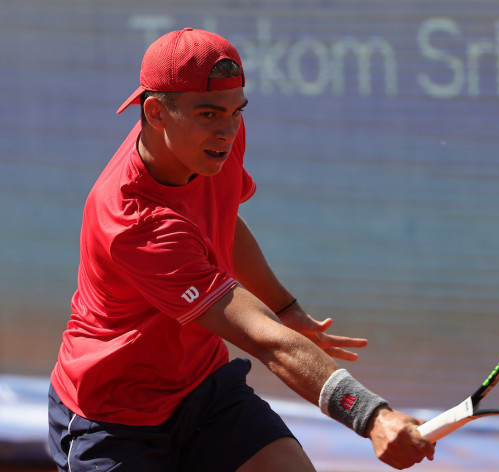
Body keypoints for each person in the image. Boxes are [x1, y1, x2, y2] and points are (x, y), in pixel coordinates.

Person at [47, 28, 435, 471]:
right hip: (113, 418)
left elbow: (222, 222)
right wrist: (372, 416)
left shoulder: (210, 143)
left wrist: (286, 308)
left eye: (236, 111)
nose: (228, 130)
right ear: (155, 112)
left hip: (202, 390)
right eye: (209, 113)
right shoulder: (134, 222)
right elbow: (264, 339)